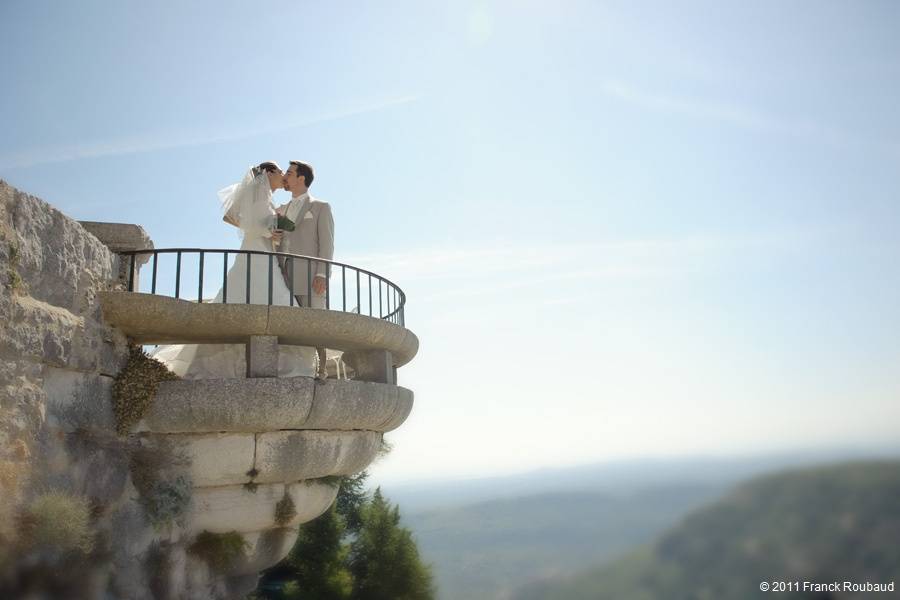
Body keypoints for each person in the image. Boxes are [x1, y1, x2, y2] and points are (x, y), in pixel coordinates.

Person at [151, 162, 317, 378]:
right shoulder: (258, 194)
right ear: (268, 173)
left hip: (263, 252)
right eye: (279, 172)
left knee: (263, 296)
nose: (282, 176)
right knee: (266, 295)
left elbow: (241, 220)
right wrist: (265, 232)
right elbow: (231, 217)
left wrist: (264, 230)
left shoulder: (267, 198)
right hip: (256, 251)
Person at [273, 160, 334, 379]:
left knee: (315, 322)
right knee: (289, 323)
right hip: (282, 273)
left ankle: (321, 369)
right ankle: (294, 369)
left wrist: (322, 274)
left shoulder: (320, 207)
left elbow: (326, 244)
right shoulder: (280, 210)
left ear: (301, 178)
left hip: (309, 275)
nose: (285, 177)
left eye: (289, 173)